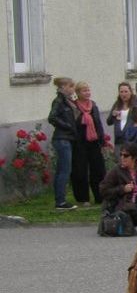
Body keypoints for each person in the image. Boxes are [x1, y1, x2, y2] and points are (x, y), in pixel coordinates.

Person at [99, 142, 137, 230]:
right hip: (124, 206)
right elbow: (103, 190)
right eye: (121, 154)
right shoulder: (116, 171)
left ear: (134, 157)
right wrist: (122, 189)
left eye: (125, 155)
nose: (122, 158)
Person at [70, 80, 107, 206]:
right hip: (80, 142)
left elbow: (98, 124)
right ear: (78, 93)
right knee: (80, 170)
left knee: (98, 169)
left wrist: (102, 141)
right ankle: (83, 198)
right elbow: (73, 125)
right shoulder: (74, 107)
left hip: (94, 141)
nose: (87, 93)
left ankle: (100, 196)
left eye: (88, 90)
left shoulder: (93, 106)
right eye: (84, 90)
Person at [48, 77, 79, 210]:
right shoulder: (59, 101)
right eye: (70, 86)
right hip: (62, 139)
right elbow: (52, 117)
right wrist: (67, 126)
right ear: (63, 87)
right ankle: (60, 201)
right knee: (64, 170)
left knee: (62, 169)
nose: (72, 89)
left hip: (67, 138)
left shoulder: (68, 101)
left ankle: (60, 200)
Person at [106, 82, 137, 148]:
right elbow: (109, 122)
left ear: (130, 92)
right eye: (121, 92)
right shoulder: (117, 104)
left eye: (126, 91)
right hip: (119, 140)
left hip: (133, 140)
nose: (124, 94)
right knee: (119, 157)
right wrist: (112, 115)